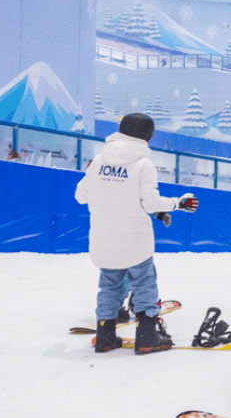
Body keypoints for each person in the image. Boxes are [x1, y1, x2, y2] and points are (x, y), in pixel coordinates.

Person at [74, 113, 197, 355]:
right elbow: (151, 203)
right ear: (149, 137)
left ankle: (105, 337)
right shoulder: (143, 164)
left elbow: (81, 196)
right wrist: (177, 203)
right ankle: (148, 337)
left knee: (109, 287)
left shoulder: (98, 161)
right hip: (135, 242)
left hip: (103, 241)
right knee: (144, 285)